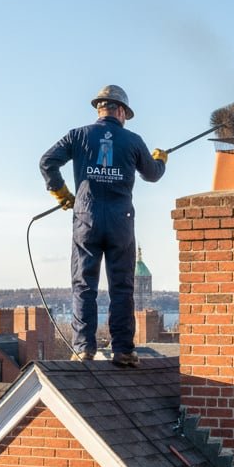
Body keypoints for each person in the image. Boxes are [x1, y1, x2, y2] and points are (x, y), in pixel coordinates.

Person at [40, 85, 167, 367]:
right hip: (121, 222)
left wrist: (61, 192)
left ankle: (84, 348)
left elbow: (47, 162)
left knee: (84, 285)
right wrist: (160, 159)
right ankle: (123, 350)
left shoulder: (78, 135)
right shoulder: (132, 141)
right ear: (120, 111)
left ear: (99, 109)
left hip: (87, 218)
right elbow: (153, 174)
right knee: (122, 287)